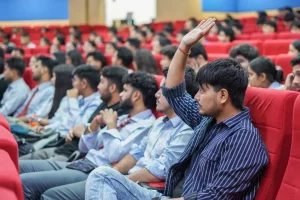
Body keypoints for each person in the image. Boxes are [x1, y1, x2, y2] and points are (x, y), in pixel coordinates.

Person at [83, 18, 269, 200]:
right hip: (169, 194)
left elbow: (216, 196)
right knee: (102, 175)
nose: (196, 97)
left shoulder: (243, 138)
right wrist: (183, 47)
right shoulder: (207, 120)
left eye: (202, 91)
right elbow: (174, 93)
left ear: (222, 96)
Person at [20, 72, 158, 200]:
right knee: (21, 167)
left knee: (31, 186)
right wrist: (94, 125)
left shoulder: (145, 126)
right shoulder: (123, 118)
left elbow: (114, 155)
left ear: (136, 96)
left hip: (95, 170)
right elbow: (86, 146)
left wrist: (111, 126)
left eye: (125, 90)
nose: (121, 94)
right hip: (82, 162)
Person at [86, 67, 198, 199]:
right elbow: (137, 153)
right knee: (102, 176)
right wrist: (115, 175)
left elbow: (160, 170)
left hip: (148, 188)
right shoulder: (159, 121)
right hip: (132, 181)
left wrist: (121, 180)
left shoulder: (187, 129)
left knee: (101, 175)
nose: (157, 94)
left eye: (163, 90)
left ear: (178, 93)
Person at [20, 66, 128, 161]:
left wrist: (78, 127)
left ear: (112, 87)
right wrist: (75, 129)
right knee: (21, 161)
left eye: (102, 82)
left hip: (74, 154)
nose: (98, 86)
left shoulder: (113, 111)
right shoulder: (104, 104)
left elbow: (86, 133)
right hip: (65, 147)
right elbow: (78, 127)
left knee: (23, 167)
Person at [13, 56, 56, 122]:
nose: (32, 69)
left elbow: (38, 115)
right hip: (18, 122)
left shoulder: (50, 91)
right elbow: (22, 110)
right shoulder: (35, 89)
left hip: (29, 126)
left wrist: (14, 120)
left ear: (45, 70)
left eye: (36, 66)